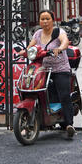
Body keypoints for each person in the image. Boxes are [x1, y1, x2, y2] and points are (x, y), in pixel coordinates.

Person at [18, 10, 76, 139]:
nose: (45, 22)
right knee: (35, 91)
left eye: (47, 19)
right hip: (43, 69)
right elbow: (31, 47)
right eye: (42, 19)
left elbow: (65, 42)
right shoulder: (38, 34)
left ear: (52, 20)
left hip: (60, 68)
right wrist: (24, 51)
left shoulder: (58, 32)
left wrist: (60, 49)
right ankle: (32, 120)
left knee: (64, 95)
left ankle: (69, 124)